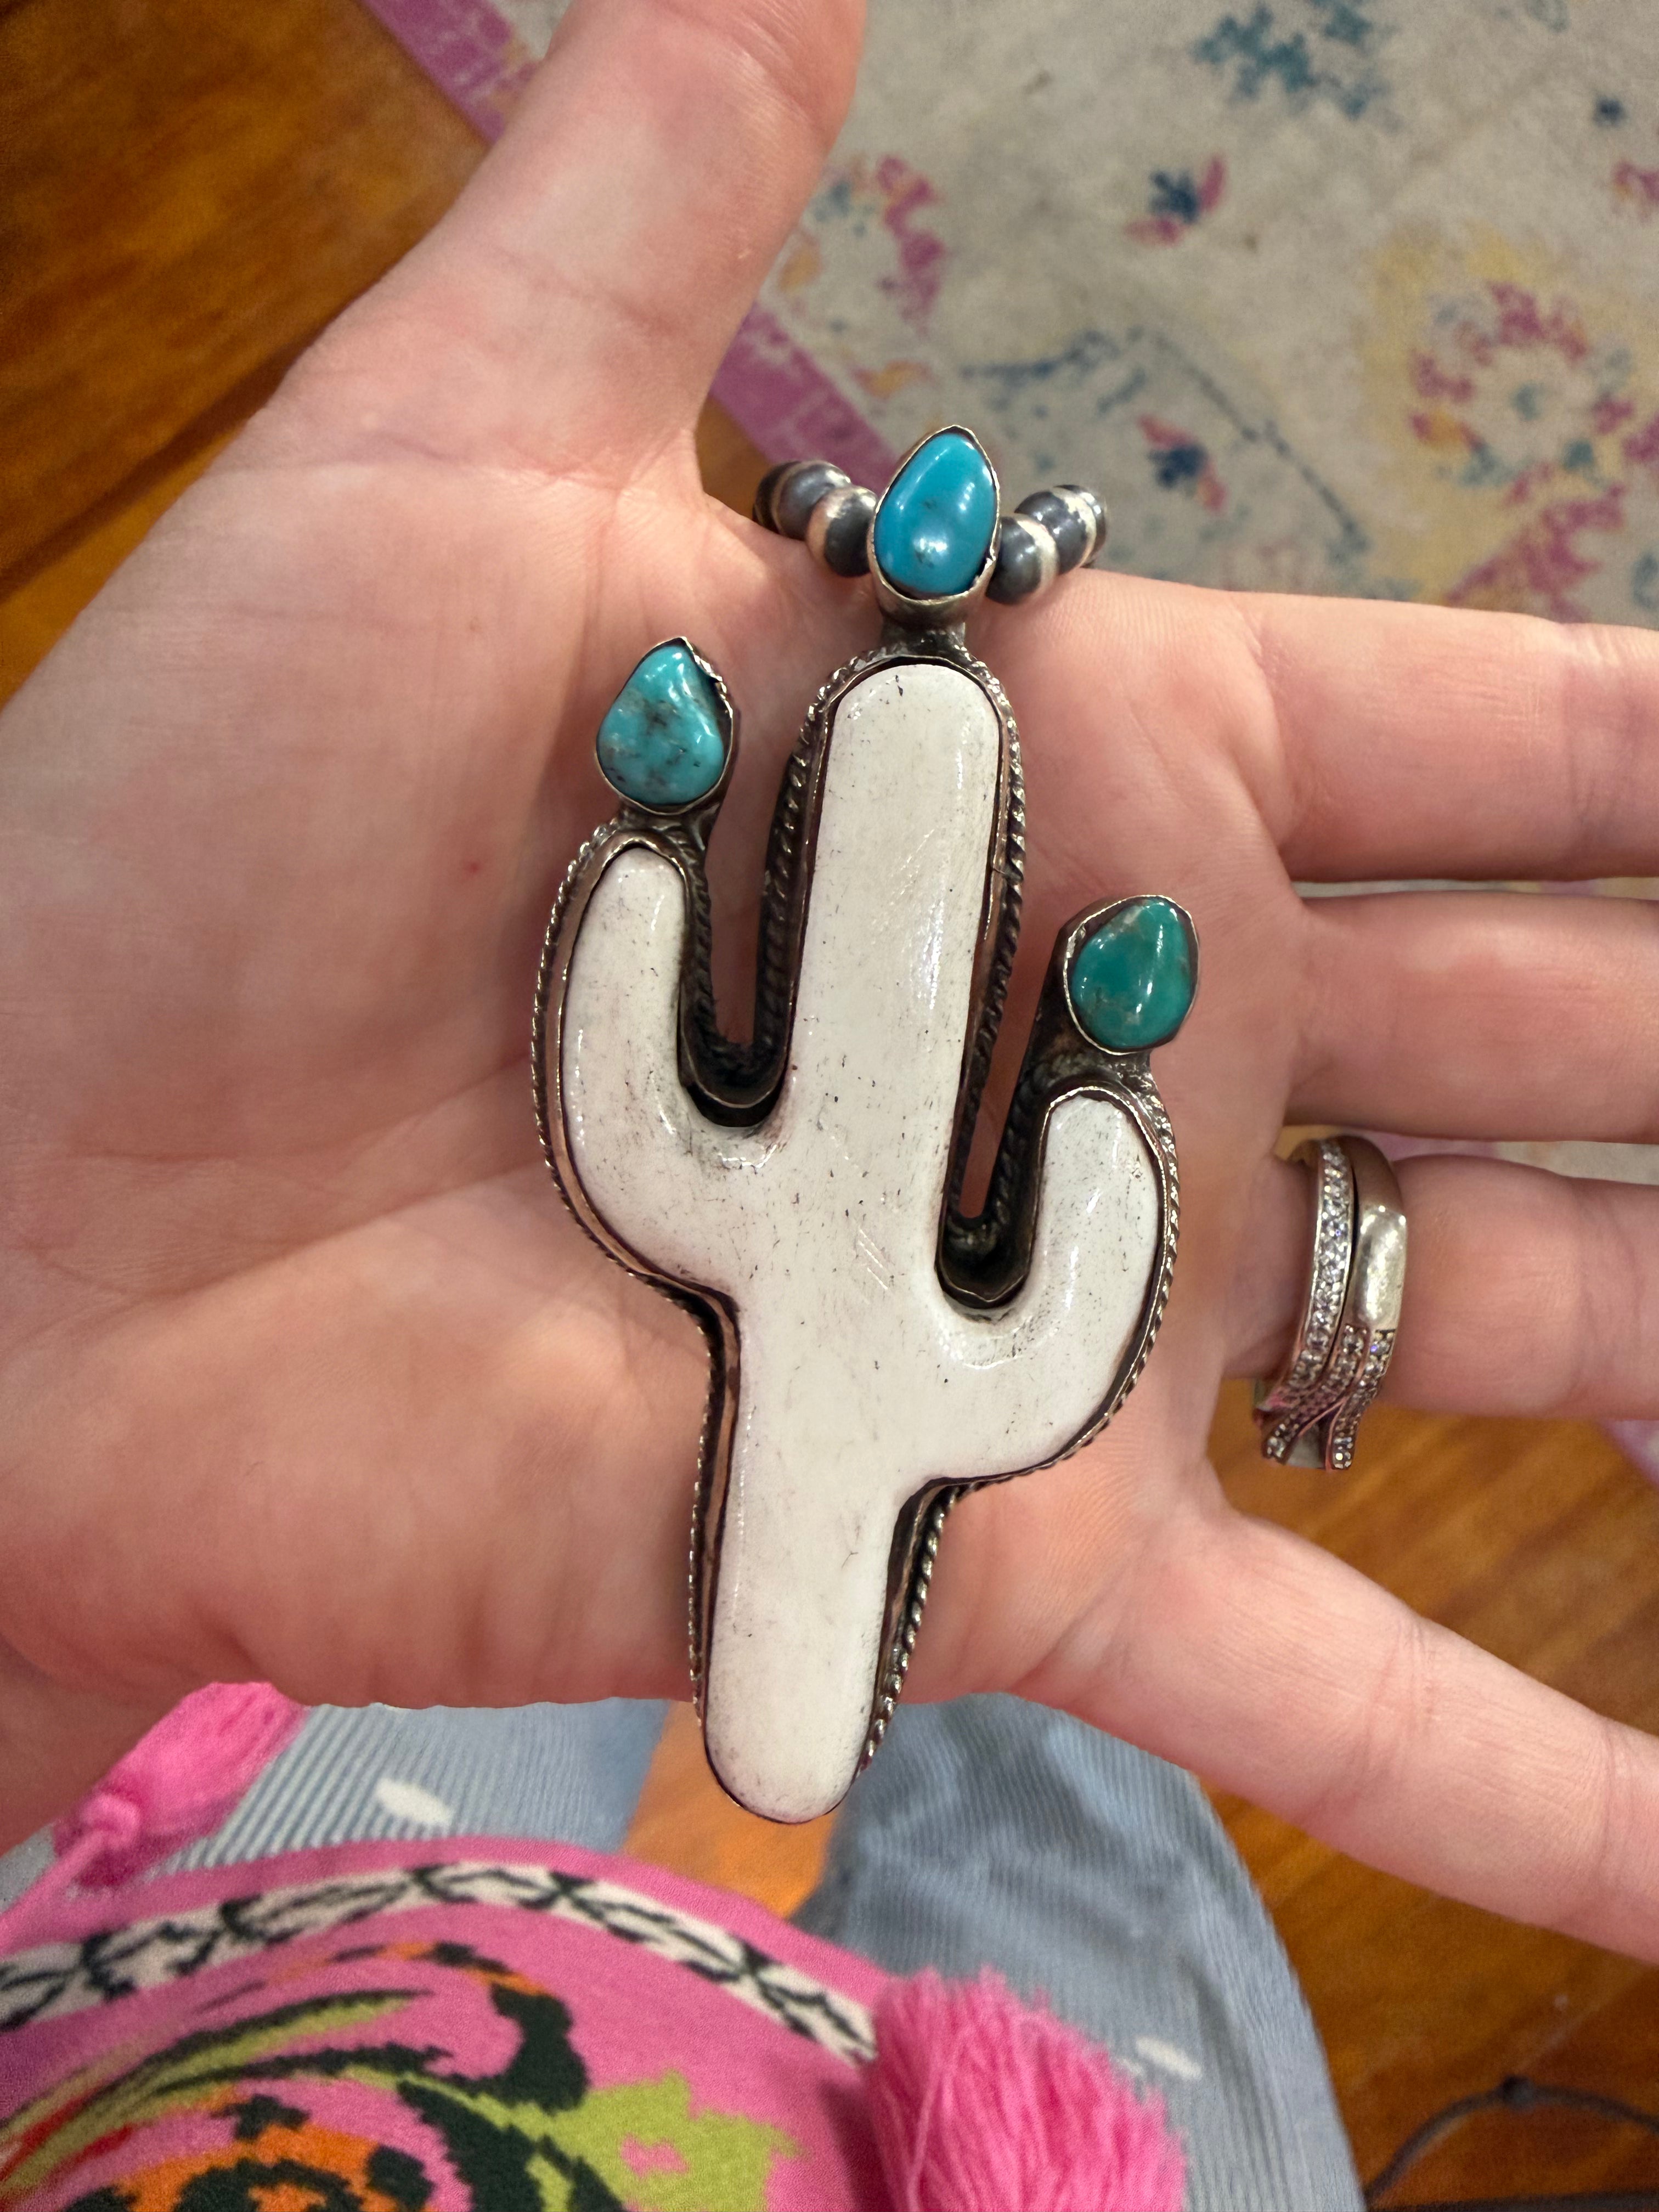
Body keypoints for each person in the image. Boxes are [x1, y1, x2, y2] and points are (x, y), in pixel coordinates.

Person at [2, 0, 1657, 2200]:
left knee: (992, 1667)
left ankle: (1001, 1656)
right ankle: (1011, 1681)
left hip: (200, 1947)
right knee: (1080, 1789)